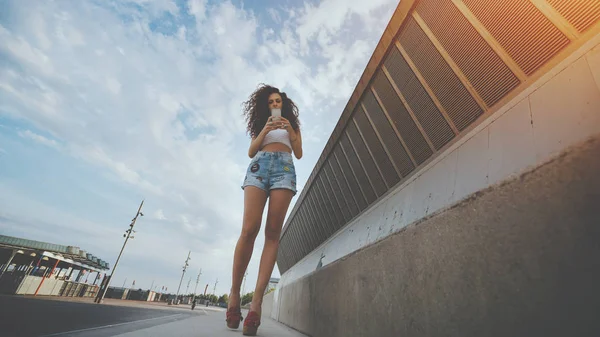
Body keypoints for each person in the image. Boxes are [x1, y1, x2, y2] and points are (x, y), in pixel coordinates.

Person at [226, 84, 303, 336]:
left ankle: (256, 304)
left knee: (272, 233)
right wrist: (265, 130)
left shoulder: (293, 126)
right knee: (249, 229)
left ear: (284, 104)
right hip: (259, 167)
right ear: (265, 105)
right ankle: (234, 296)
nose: (274, 105)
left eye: (278, 101)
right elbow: (251, 151)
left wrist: (290, 130)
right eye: (270, 102)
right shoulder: (262, 124)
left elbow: (299, 153)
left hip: (284, 169)